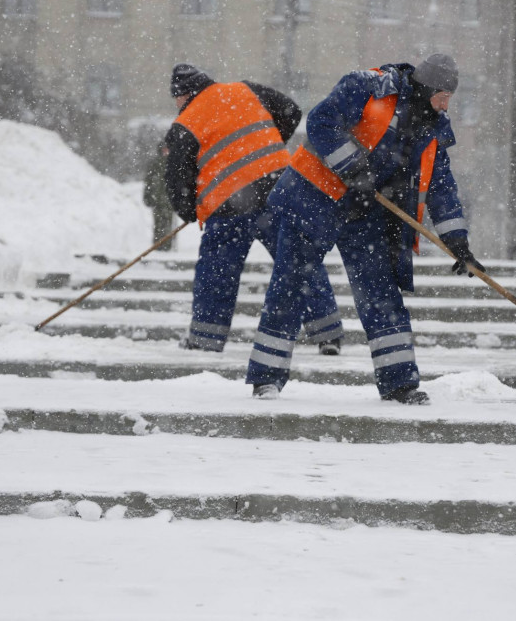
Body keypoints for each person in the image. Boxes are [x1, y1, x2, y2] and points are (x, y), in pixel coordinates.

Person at [245, 54, 483, 405]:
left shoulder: (433, 126)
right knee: (290, 284)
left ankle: (400, 383)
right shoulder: (368, 86)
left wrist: (457, 241)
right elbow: (322, 122)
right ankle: (266, 379)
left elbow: (441, 185)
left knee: (382, 294)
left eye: (450, 97)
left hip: (368, 211)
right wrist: (353, 166)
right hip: (316, 198)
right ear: (426, 87)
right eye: (442, 95)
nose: (446, 104)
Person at [162, 63, 343, 355]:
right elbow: (291, 111)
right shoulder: (244, 90)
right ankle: (327, 334)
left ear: (183, 95)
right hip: (278, 189)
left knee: (217, 273)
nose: (177, 106)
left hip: (227, 205)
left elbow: (176, 180)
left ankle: (206, 339)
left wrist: (189, 211)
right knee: (298, 260)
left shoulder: (184, 123)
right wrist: (268, 148)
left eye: (176, 100)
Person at [141, 140, 175, 249]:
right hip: (157, 199)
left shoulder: (174, 164)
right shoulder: (155, 164)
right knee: (158, 224)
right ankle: (158, 245)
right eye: (163, 149)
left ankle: (167, 245)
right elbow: (148, 182)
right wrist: (147, 195)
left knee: (168, 223)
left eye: (167, 149)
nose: (165, 152)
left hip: (169, 200)